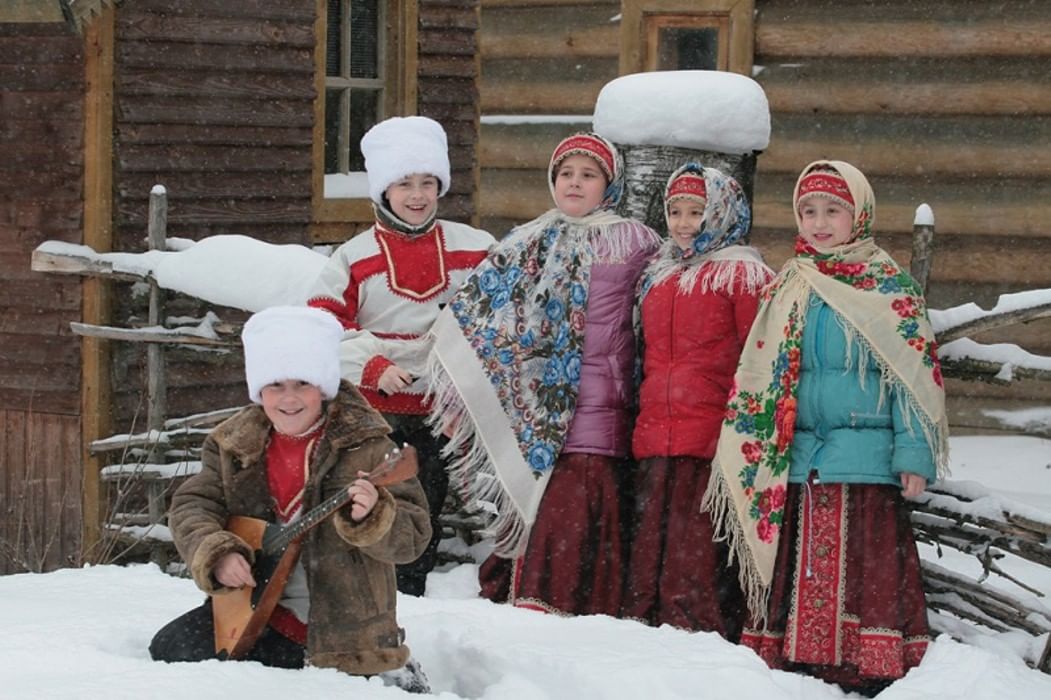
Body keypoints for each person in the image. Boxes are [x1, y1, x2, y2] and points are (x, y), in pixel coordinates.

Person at [703, 160, 949, 696]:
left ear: (857, 214)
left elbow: (913, 378)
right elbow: (760, 368)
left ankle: (865, 664)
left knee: (863, 567)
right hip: (798, 457)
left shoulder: (889, 288)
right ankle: (797, 662)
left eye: (832, 210)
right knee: (801, 565)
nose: (819, 222)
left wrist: (913, 452)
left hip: (865, 460)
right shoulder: (790, 282)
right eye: (808, 210)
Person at [425, 132, 661, 616]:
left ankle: (572, 601)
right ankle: (530, 595)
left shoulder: (634, 241)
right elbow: (484, 312)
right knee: (541, 498)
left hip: (603, 399)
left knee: (581, 503)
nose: (575, 184)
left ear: (609, 185)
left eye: (588, 175)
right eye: (566, 174)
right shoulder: (526, 239)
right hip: (535, 404)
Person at [149, 305, 432, 693]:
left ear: (323, 386)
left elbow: (413, 537)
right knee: (169, 648)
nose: (289, 398)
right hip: (255, 608)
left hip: (342, 627)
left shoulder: (368, 447)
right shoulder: (234, 445)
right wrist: (218, 552)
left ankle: (388, 670)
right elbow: (192, 506)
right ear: (259, 390)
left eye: (302, 383)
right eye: (276, 385)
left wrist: (374, 516)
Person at [308, 116, 495, 597]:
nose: (418, 195)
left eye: (428, 183)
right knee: (371, 498)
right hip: (375, 410)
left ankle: (413, 594)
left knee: (423, 503)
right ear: (383, 191)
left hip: (444, 411)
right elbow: (324, 324)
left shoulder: (475, 249)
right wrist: (372, 366)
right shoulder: (354, 256)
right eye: (405, 184)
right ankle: (365, 592)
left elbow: (501, 314)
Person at [622, 164, 772, 637]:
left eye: (696, 211)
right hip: (655, 431)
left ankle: (696, 631)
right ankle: (645, 622)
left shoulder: (743, 274)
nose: (684, 223)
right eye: (676, 211)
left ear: (724, 212)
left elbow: (759, 355)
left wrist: (742, 426)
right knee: (652, 540)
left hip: (711, 437)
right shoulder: (659, 274)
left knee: (697, 545)